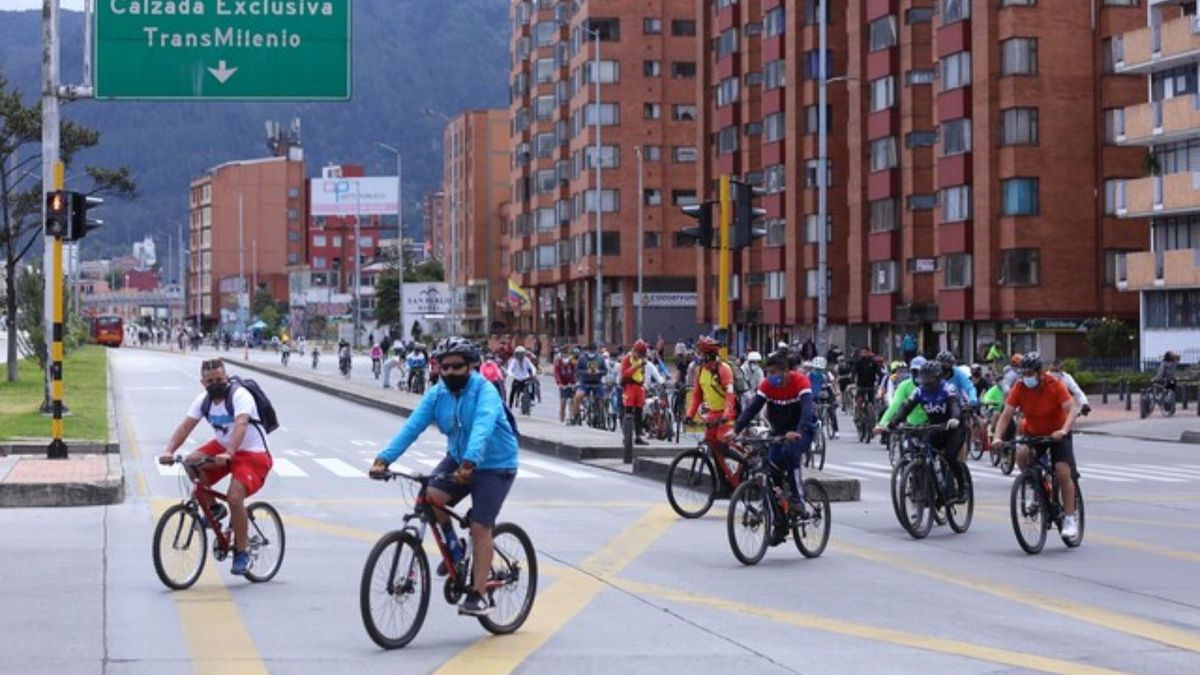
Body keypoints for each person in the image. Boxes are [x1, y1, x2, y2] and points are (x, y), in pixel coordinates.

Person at [369, 337, 519, 617]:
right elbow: (412, 427)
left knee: (480, 526)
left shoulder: (484, 391)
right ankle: (455, 549)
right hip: (460, 459)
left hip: (496, 464)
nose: (449, 372)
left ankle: (478, 594)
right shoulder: (437, 394)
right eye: (444, 367)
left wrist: (470, 463)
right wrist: (384, 459)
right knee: (431, 497)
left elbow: (483, 427)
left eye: (456, 366)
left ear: (470, 366)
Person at [158, 358, 274, 576]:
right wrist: (168, 451)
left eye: (219, 379)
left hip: (253, 454)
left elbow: (241, 424)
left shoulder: (240, 396)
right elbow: (185, 427)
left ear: (226, 377)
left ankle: (241, 553)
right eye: (210, 381)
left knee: (234, 497)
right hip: (223, 449)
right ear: (203, 383)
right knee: (190, 462)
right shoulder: (204, 401)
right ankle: (214, 509)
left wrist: (229, 453)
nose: (215, 384)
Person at [990, 352, 1082, 541]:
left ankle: (1070, 519)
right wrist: (997, 437)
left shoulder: (1054, 385)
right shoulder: (1019, 387)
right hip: (1034, 433)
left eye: (1030, 374)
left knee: (1062, 471)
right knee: (1022, 455)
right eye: (1023, 374)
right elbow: (1006, 415)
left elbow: (1072, 409)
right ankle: (1038, 487)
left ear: (1040, 372)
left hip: (1057, 434)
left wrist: (1064, 430)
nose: (1027, 378)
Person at [728, 350, 817, 542]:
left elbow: (807, 410)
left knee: (790, 453)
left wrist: (798, 431)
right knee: (770, 468)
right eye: (768, 372)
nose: (770, 376)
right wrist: (735, 430)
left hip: (801, 429)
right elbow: (752, 408)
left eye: (774, 372)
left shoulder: (800, 381)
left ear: (785, 371)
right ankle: (780, 523)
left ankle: (798, 498)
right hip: (779, 432)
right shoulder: (767, 385)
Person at [877, 361, 969, 503]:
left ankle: (963, 487)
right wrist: (892, 423)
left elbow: (954, 405)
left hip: (954, 428)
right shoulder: (919, 391)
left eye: (930, 378)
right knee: (927, 455)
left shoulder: (948, 389)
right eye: (924, 378)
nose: (926, 382)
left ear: (938, 378)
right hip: (935, 427)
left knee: (950, 456)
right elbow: (906, 409)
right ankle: (934, 491)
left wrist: (955, 418)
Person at [685, 337, 738, 459]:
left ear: (709, 355)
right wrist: (689, 415)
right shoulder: (700, 371)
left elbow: (730, 394)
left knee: (722, 446)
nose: (698, 357)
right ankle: (720, 472)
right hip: (712, 414)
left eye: (701, 354)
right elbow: (696, 397)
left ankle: (746, 464)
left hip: (727, 414)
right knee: (711, 444)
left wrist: (726, 414)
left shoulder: (723, 369)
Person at [620, 340, 651, 445]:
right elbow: (624, 374)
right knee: (628, 412)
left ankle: (638, 436)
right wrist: (635, 366)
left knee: (639, 413)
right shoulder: (627, 359)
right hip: (629, 386)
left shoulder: (642, 361)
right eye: (640, 353)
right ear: (635, 351)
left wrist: (645, 385)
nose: (641, 356)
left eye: (643, 354)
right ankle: (626, 436)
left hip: (639, 387)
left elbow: (643, 374)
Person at [573, 344, 608, 423]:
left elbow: (605, 371)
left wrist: (599, 372)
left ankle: (601, 415)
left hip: (597, 382)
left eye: (593, 351)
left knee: (602, 398)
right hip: (585, 382)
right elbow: (577, 371)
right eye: (590, 351)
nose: (592, 352)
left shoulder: (600, 358)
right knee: (578, 397)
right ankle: (576, 416)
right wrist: (586, 372)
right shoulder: (582, 358)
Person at [808, 356, 839, 437]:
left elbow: (833, 384)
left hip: (825, 394)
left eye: (820, 369)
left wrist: (836, 394)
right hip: (813, 395)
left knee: (831, 411)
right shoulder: (808, 375)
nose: (818, 371)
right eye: (816, 369)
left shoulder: (827, 375)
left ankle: (835, 429)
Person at [506, 346, 538, 410]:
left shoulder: (526, 360)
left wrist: (534, 373)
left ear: (524, 354)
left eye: (522, 353)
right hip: (517, 378)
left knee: (531, 386)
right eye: (519, 354)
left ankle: (532, 399)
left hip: (525, 378)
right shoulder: (514, 361)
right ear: (516, 354)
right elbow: (509, 369)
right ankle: (510, 405)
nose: (520, 355)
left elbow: (532, 367)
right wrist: (511, 374)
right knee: (513, 390)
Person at [553, 348, 577, 423]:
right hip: (563, 384)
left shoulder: (572, 362)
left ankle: (571, 417)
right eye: (564, 355)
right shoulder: (558, 363)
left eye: (566, 354)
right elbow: (557, 374)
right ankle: (561, 420)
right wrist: (559, 383)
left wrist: (574, 382)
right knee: (563, 402)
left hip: (571, 384)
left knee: (572, 401)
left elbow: (575, 372)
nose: (565, 357)